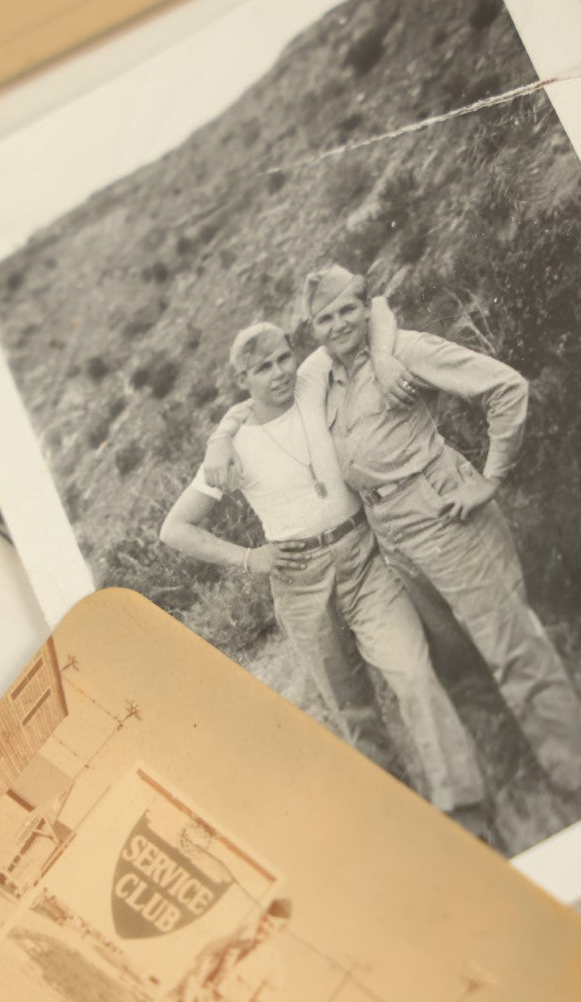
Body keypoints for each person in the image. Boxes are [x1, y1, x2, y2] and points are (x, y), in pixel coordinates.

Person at [204, 266, 581, 794]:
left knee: (509, 643)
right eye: (325, 317)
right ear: (315, 330)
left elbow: (506, 388)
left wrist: (491, 478)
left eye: (348, 309)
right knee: (453, 659)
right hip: (388, 533)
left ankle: (580, 778)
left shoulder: (404, 351)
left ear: (366, 308)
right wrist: (220, 438)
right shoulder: (321, 379)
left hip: (441, 511)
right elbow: (253, 395)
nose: (338, 323)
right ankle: (517, 776)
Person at [161, 323, 486, 815]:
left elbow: (369, 320)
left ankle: (467, 808)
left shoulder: (312, 381)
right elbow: (175, 528)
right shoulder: (236, 445)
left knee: (414, 674)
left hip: (363, 556)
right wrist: (249, 558)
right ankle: (409, 823)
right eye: (262, 368)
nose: (278, 373)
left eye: (282, 358)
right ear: (243, 378)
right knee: (356, 714)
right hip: (299, 581)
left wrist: (218, 430)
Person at [132, 897, 293, 1002]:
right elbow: (201, 966)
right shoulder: (235, 942)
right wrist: (188, 997)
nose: (264, 927)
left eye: (271, 926)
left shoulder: (274, 969)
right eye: (264, 921)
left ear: (279, 931)